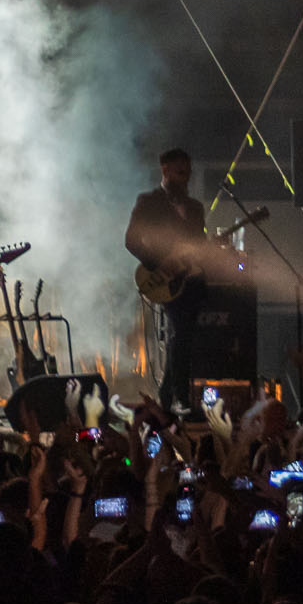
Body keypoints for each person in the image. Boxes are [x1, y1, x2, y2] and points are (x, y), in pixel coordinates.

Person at [125, 148, 207, 413]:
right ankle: (180, 398)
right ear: (165, 170)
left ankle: (167, 396)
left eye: (188, 172)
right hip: (164, 279)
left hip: (192, 279)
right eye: (180, 172)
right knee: (180, 334)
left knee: (185, 336)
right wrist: (159, 263)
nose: (186, 177)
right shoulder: (148, 202)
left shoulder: (195, 208)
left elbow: (200, 243)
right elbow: (131, 240)